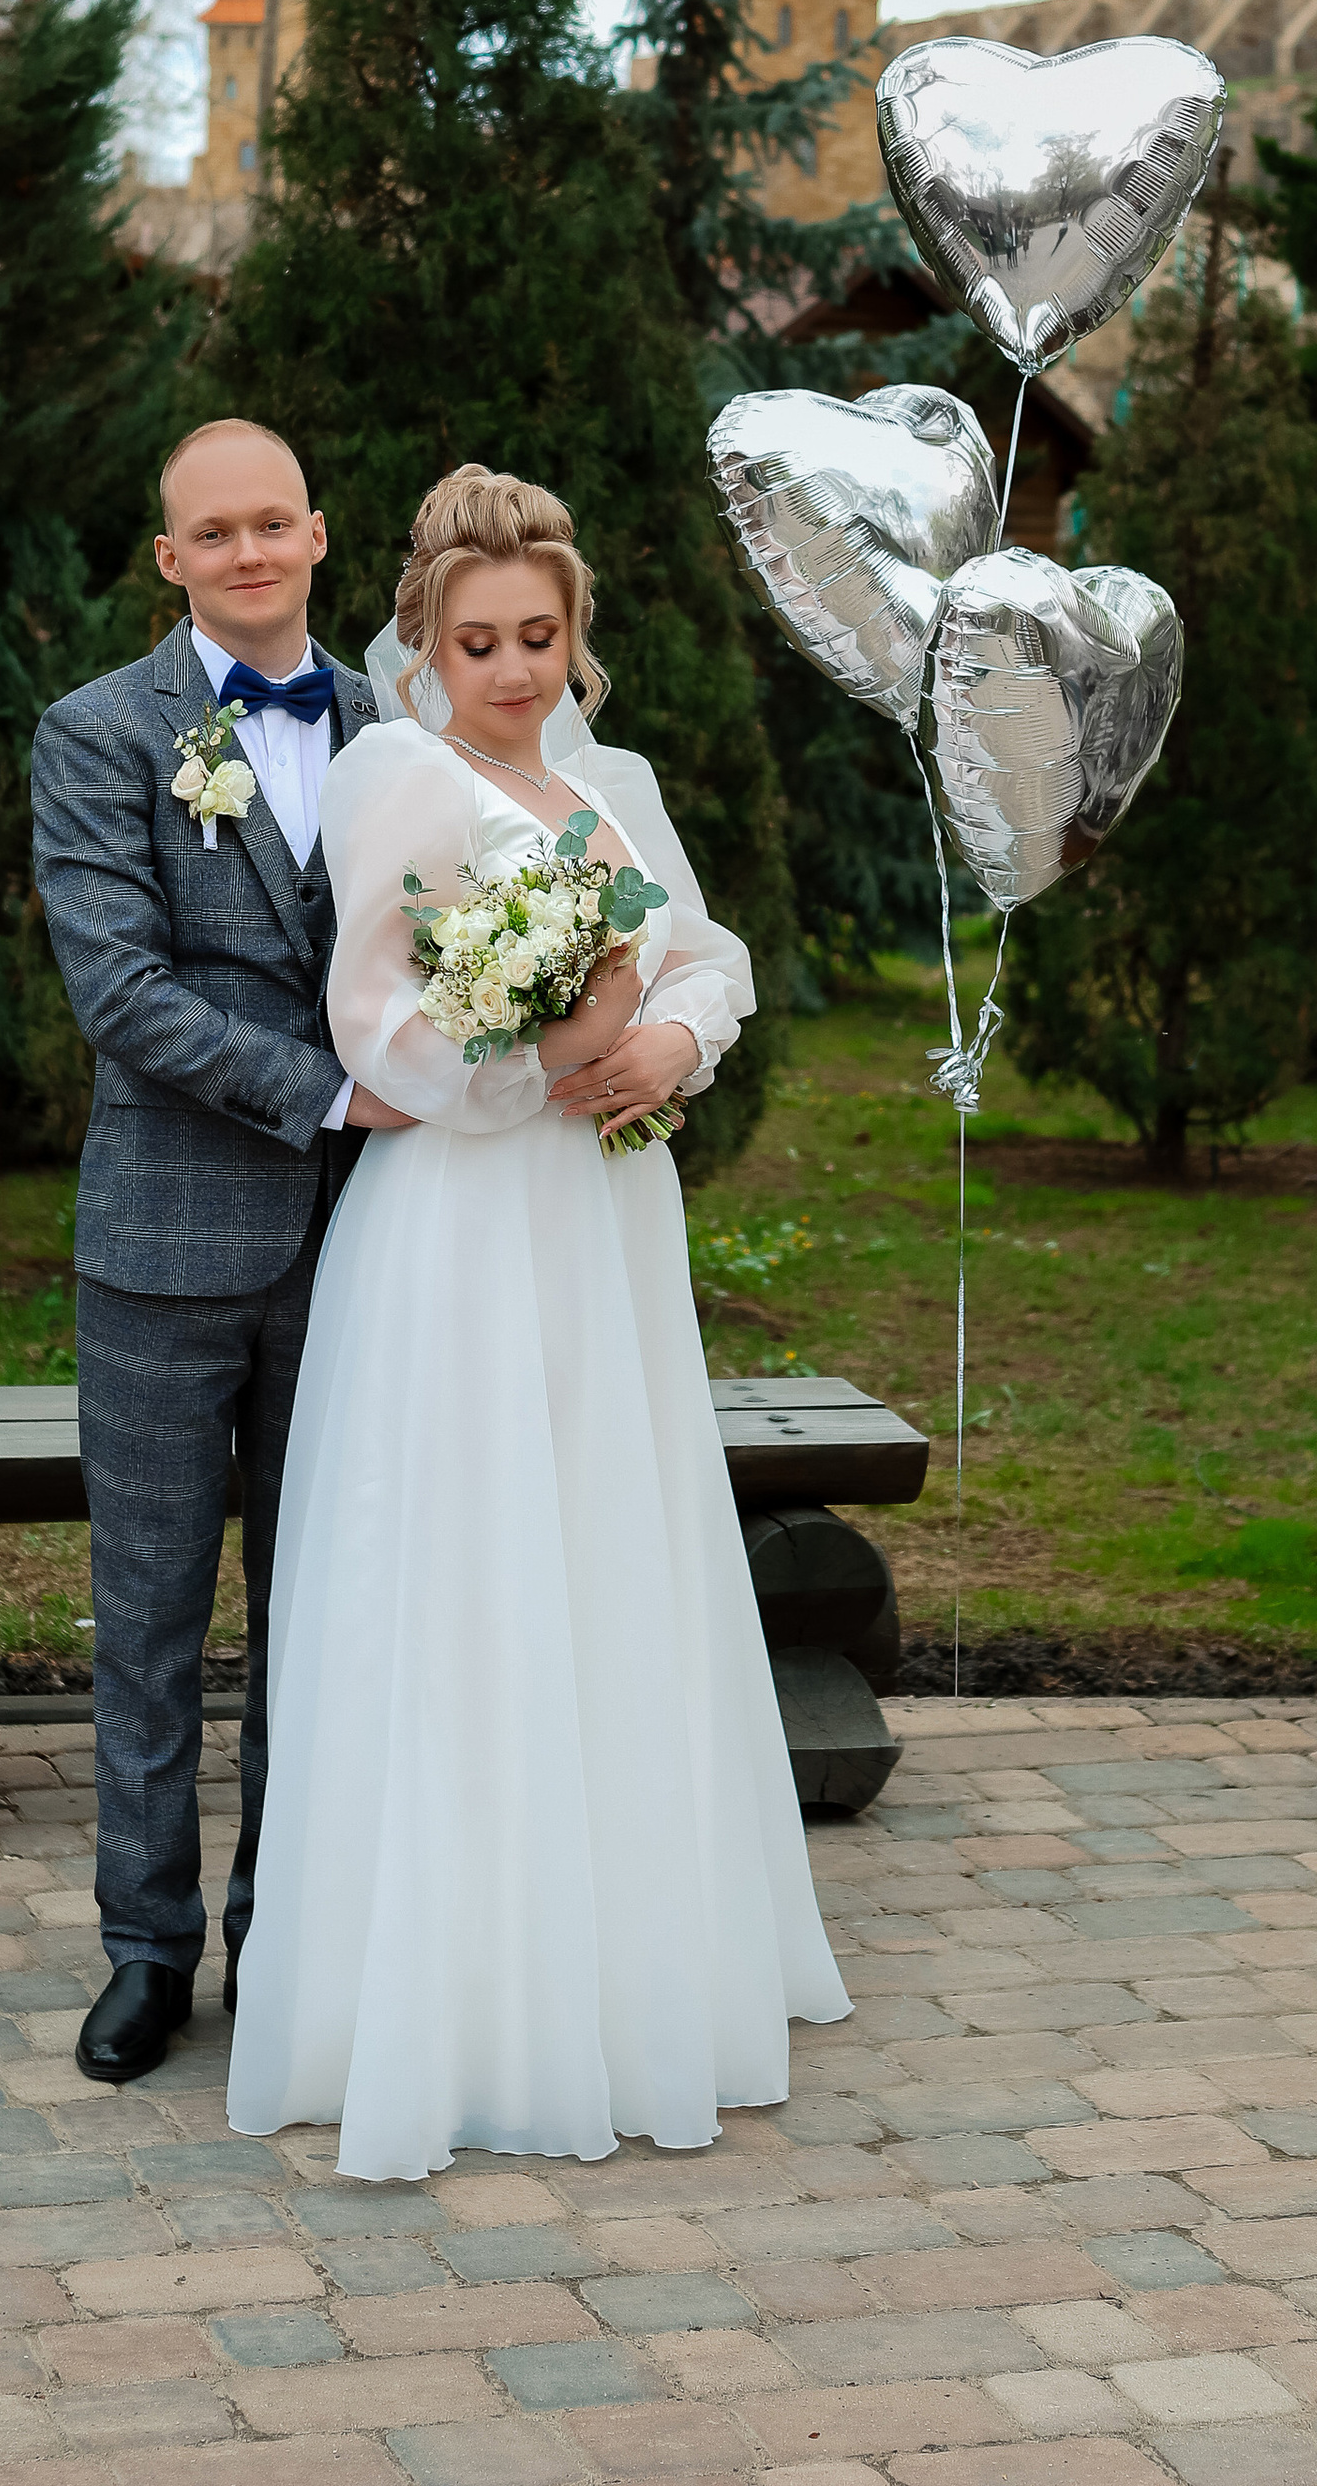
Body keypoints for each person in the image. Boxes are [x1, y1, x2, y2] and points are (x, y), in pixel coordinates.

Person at [226, 462, 850, 2178]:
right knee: (471, 1571)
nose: (512, 667)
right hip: (461, 1230)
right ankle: (462, 1993)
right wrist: (549, 1058)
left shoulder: (618, 780)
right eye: (479, 638)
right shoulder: (391, 780)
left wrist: (671, 1049)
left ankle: (630, 1961)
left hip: (605, 1227)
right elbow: (385, 1037)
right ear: (422, 641)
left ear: (579, 640)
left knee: (608, 1554)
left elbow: (707, 956)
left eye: (540, 637)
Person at [30, 417, 415, 2088]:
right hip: (165, 1245)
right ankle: (146, 1950)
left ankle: (287, 1938)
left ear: (320, 537)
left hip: (367, 1254)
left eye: (275, 523)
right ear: (170, 557)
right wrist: (332, 1095)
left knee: (320, 1618)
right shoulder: (101, 732)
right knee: (152, 1622)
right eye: (215, 532)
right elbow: (118, 991)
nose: (249, 553)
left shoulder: (396, 726)